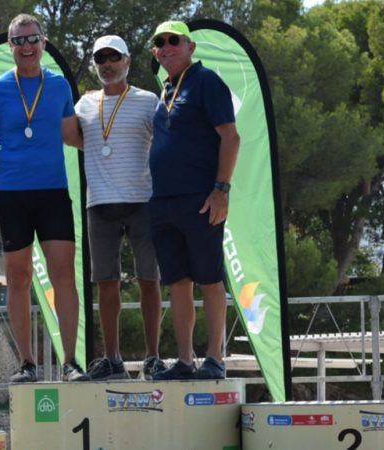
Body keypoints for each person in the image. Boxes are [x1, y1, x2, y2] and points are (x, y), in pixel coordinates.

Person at [0, 13, 88, 382]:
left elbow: (72, 135)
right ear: (11, 46)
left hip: (53, 192)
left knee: (63, 274)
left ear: (43, 43)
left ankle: (70, 361)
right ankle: (26, 363)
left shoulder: (59, 87)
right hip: (12, 195)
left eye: (32, 39)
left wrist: (113, 138)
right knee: (19, 277)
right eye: (19, 40)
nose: (27, 46)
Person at [147, 21, 240, 380]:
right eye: (160, 42)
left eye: (174, 40)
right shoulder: (166, 88)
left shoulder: (206, 81)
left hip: (200, 199)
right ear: (155, 52)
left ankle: (215, 358)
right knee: (178, 281)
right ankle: (185, 362)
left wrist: (221, 190)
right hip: (162, 202)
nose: (166, 47)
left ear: (191, 47)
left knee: (209, 279)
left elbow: (231, 138)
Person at [73, 35, 166, 380]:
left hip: (143, 200)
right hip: (99, 202)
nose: (107, 65)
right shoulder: (84, 103)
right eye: (101, 59)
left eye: (114, 58)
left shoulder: (148, 101)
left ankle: (153, 358)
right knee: (106, 282)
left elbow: (165, 142)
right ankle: (112, 359)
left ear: (127, 61)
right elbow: (71, 136)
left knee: (149, 279)